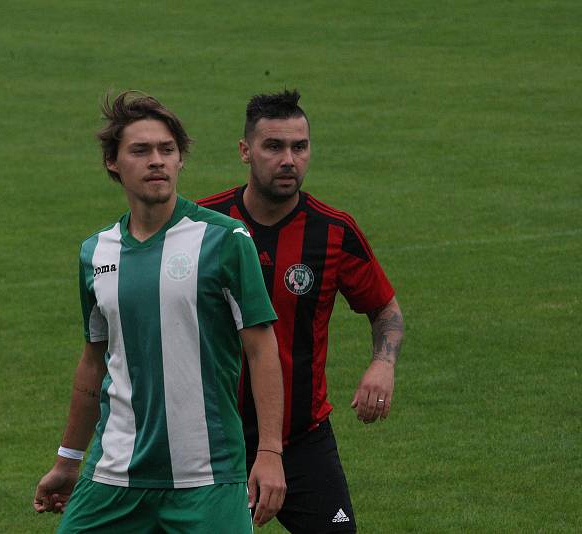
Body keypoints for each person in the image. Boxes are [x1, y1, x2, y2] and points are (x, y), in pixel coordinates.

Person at [33, 91, 287, 533]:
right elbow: (94, 362)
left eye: (167, 150)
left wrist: (269, 453)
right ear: (113, 163)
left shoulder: (224, 240)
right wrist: (68, 461)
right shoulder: (96, 253)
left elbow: (262, 349)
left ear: (180, 160)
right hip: (114, 475)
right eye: (141, 150)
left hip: (207, 477)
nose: (157, 161)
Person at [198, 89, 404, 533]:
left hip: (302, 440)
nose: (288, 159)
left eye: (299, 147)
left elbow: (384, 307)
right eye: (273, 147)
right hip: (212, 441)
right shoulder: (202, 227)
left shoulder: (334, 231)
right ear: (245, 151)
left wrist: (382, 364)